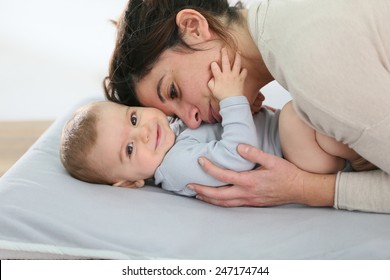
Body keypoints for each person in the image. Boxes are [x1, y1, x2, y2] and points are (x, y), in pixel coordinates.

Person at [103, 0, 390, 213]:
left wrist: (305, 189)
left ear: (194, 26)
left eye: (173, 91)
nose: (191, 123)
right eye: (173, 117)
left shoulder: (313, 70)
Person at [61, 51, 370, 195]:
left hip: (296, 143)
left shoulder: (175, 133)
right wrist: (233, 98)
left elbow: (229, 130)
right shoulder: (175, 166)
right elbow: (238, 154)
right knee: (296, 116)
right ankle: (363, 160)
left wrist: (247, 108)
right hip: (297, 157)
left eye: (133, 118)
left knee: (310, 108)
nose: (142, 133)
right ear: (129, 182)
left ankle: (365, 140)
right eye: (128, 149)